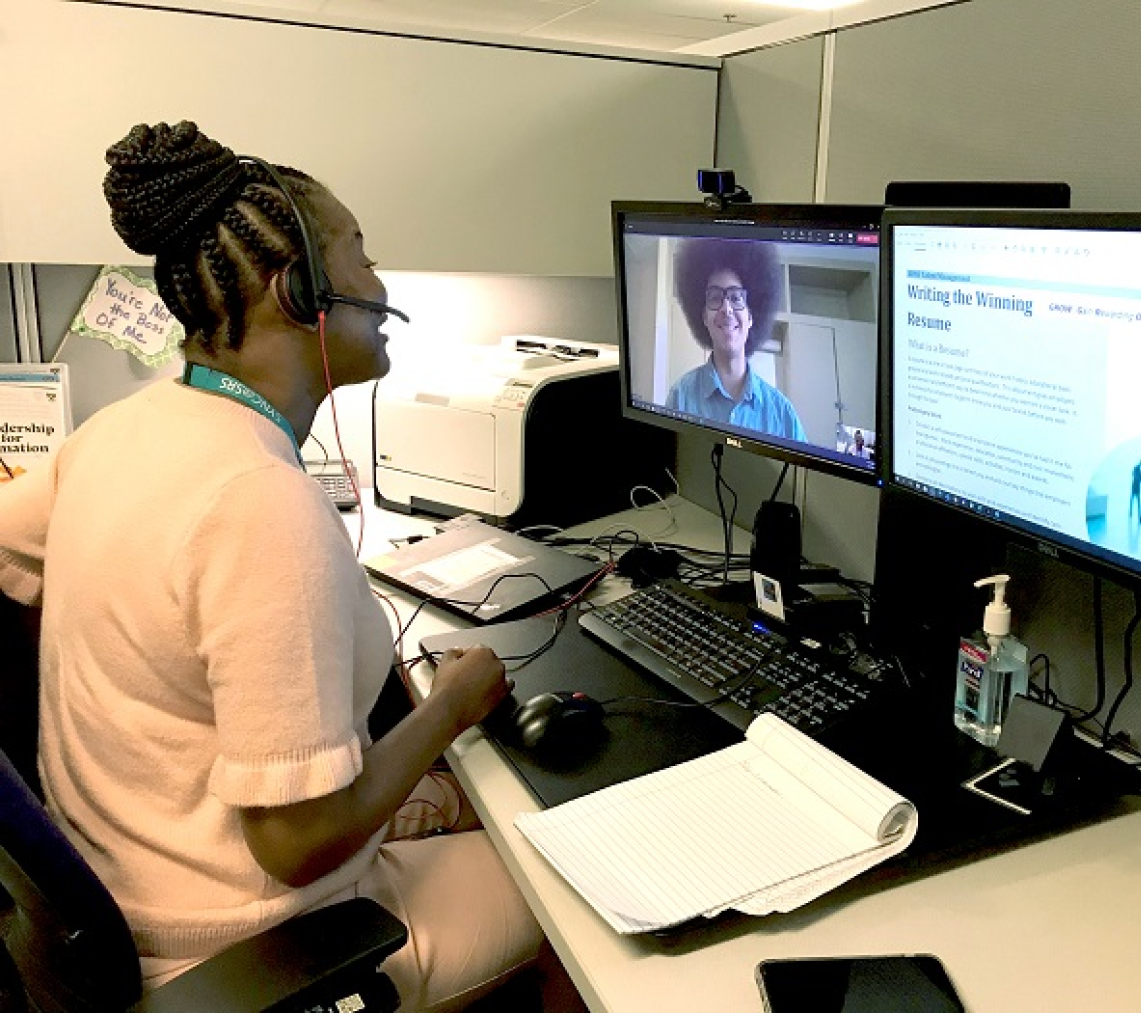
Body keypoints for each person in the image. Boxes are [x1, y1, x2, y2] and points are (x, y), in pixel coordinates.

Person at [0, 122, 582, 1012]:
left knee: (467, 805)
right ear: (299, 289)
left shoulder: (115, 431)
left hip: (128, 885)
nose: (380, 285)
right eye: (362, 256)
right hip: (255, 941)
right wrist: (458, 702)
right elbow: (299, 839)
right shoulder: (258, 502)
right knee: (572, 888)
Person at [665, 237, 807, 441]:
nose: (726, 308)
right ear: (704, 317)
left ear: (751, 316)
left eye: (736, 297)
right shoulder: (680, 397)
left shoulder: (783, 414)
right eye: (715, 297)